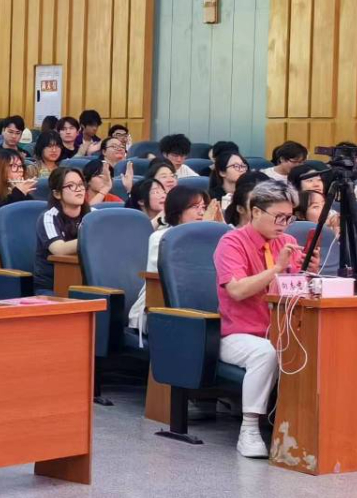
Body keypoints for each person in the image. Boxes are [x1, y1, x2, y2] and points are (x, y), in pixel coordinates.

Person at [215, 180, 316, 458]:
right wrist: (278, 269)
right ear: (256, 211)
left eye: (289, 218)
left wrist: (310, 274)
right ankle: (249, 428)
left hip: (283, 331)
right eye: (278, 217)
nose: (284, 224)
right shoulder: (231, 242)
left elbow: (296, 292)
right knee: (265, 352)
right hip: (239, 334)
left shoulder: (288, 242)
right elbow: (237, 290)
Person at [129, 185, 209, 335]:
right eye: (195, 207)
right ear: (178, 210)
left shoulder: (209, 239)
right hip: (157, 305)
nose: (201, 212)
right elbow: (166, 279)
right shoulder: (161, 237)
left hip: (198, 305)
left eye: (203, 207)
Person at [33, 167, 91, 295]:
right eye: (71, 186)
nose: (79, 189)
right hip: (52, 286)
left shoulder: (93, 215)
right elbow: (59, 249)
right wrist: (92, 240)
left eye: (81, 184)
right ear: (57, 194)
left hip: (86, 283)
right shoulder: (49, 217)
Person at [208, 151, 250, 221]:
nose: (241, 170)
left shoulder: (249, 194)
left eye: (243, 166)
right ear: (222, 172)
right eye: (236, 166)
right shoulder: (211, 197)